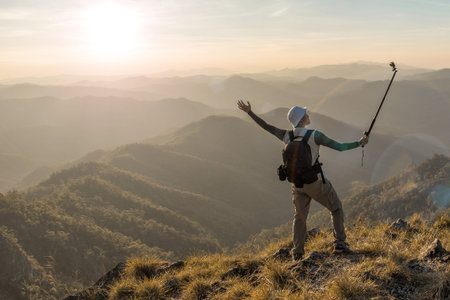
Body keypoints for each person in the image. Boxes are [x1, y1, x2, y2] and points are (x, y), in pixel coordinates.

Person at [237, 100, 369, 260]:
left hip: (297, 184)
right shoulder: (315, 135)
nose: (308, 115)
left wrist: (249, 112)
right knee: (335, 208)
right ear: (302, 119)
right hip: (316, 182)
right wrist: (359, 143)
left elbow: (266, 126)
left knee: (299, 216)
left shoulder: (286, 135)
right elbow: (340, 147)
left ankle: (297, 252)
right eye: (306, 114)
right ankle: (340, 244)